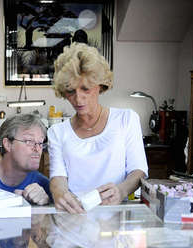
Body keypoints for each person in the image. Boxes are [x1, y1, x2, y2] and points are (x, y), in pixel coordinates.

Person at [48, 42, 148, 214]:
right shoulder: (57, 132)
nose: (78, 99)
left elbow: (139, 172)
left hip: (116, 216)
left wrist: (121, 191)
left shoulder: (126, 119)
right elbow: (58, 177)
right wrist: (60, 194)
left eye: (85, 89)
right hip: (75, 216)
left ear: (100, 86)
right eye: (70, 91)